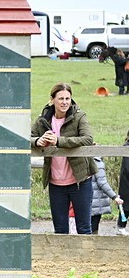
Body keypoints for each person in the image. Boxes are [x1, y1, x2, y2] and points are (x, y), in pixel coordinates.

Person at [31, 83, 94, 234]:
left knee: (84, 227)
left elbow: (88, 139)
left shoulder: (79, 116)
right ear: (52, 100)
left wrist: (59, 141)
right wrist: (37, 141)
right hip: (56, 183)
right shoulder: (43, 119)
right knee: (59, 229)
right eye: (61, 98)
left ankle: (85, 258)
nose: (65, 102)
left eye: (68, 98)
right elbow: (28, 137)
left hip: (80, 181)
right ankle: (62, 258)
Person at [88, 156, 122, 234]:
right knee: (93, 229)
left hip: (87, 200)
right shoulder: (97, 162)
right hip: (96, 201)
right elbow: (102, 183)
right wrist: (114, 196)